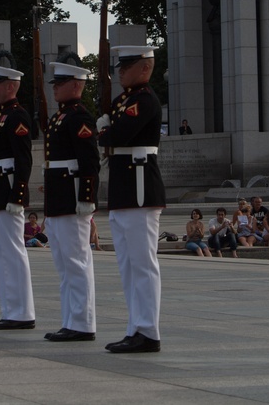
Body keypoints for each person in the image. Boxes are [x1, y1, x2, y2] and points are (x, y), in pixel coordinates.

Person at [97, 45, 165, 354]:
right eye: (120, 67)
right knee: (127, 264)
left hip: (139, 187)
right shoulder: (123, 100)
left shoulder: (144, 100)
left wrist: (106, 131)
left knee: (142, 263)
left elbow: (118, 135)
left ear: (145, 68)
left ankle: (148, 330)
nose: (120, 72)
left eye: (127, 66)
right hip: (124, 187)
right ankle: (135, 327)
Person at [43, 61, 100, 343]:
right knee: (64, 265)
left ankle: (83, 322)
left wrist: (87, 197)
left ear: (77, 85)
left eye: (60, 83)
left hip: (71, 196)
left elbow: (90, 160)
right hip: (58, 196)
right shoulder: (61, 117)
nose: (55, 88)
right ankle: (71, 320)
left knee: (76, 262)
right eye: (54, 83)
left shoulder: (79, 117)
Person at [0, 64, 36, 330]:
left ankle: (22, 312)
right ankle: (10, 310)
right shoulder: (2, 116)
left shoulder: (17, 116)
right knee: (1, 253)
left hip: (7, 191)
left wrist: (18, 196)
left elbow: (23, 159)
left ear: (11, 87)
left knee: (13, 252)